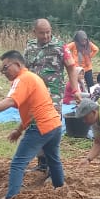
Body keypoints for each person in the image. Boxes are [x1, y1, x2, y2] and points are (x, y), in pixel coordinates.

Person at [0, 50, 65, 199]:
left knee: (18, 163)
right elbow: (32, 110)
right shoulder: (33, 78)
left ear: (18, 64)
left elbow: (10, 101)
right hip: (55, 125)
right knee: (54, 159)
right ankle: (61, 191)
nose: (3, 72)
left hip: (40, 127)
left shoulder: (22, 79)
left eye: (6, 67)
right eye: (2, 69)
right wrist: (19, 130)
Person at [24, 19, 78, 173]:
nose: (46, 35)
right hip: (33, 94)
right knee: (35, 126)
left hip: (53, 93)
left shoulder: (60, 47)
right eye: (42, 33)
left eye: (48, 32)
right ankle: (42, 163)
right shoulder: (30, 47)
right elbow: (24, 69)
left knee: (50, 126)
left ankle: (52, 168)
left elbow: (71, 68)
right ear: (34, 32)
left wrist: (75, 90)